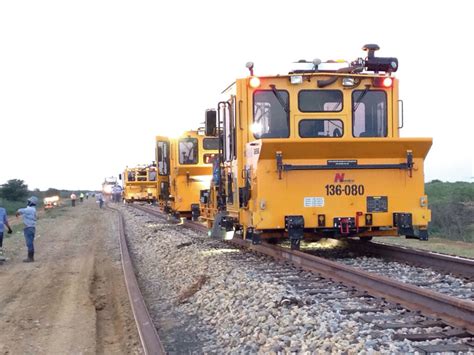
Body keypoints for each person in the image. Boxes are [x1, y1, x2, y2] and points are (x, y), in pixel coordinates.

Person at [16, 196, 38, 263]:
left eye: (29, 201)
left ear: (31, 203)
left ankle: (30, 258)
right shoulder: (33, 209)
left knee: (29, 243)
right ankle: (30, 257)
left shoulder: (30, 209)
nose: (27, 202)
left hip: (29, 228)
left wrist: (17, 213)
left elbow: (19, 211)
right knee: (30, 243)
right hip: (31, 227)